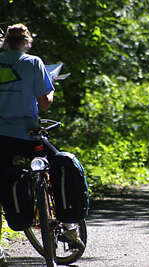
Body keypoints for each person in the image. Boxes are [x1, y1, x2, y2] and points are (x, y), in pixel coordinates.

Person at [0, 23, 82, 266]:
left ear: (5, 41)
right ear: (27, 42)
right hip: (28, 134)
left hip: (1, 136)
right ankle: (68, 226)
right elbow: (45, 103)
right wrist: (51, 85)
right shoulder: (34, 63)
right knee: (58, 164)